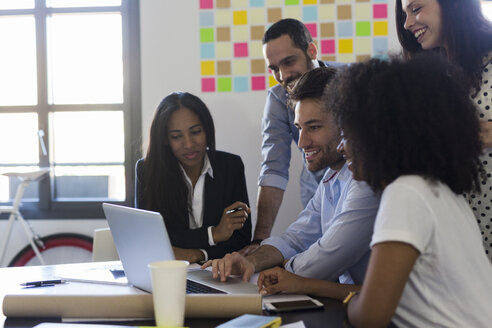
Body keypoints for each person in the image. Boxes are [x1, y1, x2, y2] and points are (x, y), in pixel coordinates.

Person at [260, 55, 492, 328]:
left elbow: (369, 315)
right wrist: (304, 283)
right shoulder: (434, 186)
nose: (343, 146)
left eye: (351, 133)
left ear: (383, 133)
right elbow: (381, 297)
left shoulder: (405, 194)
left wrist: (318, 287)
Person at [202, 67, 380, 286]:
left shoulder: (365, 182)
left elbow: (323, 262)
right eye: (299, 128)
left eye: (313, 127)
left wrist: (274, 269)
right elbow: (296, 238)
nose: (302, 142)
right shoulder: (331, 177)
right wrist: (251, 261)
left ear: (346, 125)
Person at [395, 0, 492, 261]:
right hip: (458, 237)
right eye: (404, 14)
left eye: (415, 9)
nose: (407, 23)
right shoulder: (430, 76)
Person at [242, 18, 343, 255]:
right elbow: (274, 169)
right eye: (274, 68)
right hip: (317, 197)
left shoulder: (350, 80)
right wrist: (259, 240)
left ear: (312, 50)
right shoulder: (278, 98)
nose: (283, 75)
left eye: (289, 62)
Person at [135, 92, 251, 263]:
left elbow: (240, 239)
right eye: (176, 136)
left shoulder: (231, 167)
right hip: (167, 272)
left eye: (196, 132)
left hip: (218, 272)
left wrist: (198, 254)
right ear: (165, 139)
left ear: (208, 130)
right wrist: (214, 234)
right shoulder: (148, 170)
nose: (188, 144)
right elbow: (150, 239)